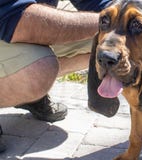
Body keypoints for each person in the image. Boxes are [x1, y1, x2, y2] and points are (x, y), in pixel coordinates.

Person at [0, 0, 112, 152]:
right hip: (11, 20)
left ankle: (25, 94)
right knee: (38, 71)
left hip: (13, 24)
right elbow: (15, 18)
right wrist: (111, 20)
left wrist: (132, 16)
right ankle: (20, 80)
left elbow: (98, 3)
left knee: (106, 41)